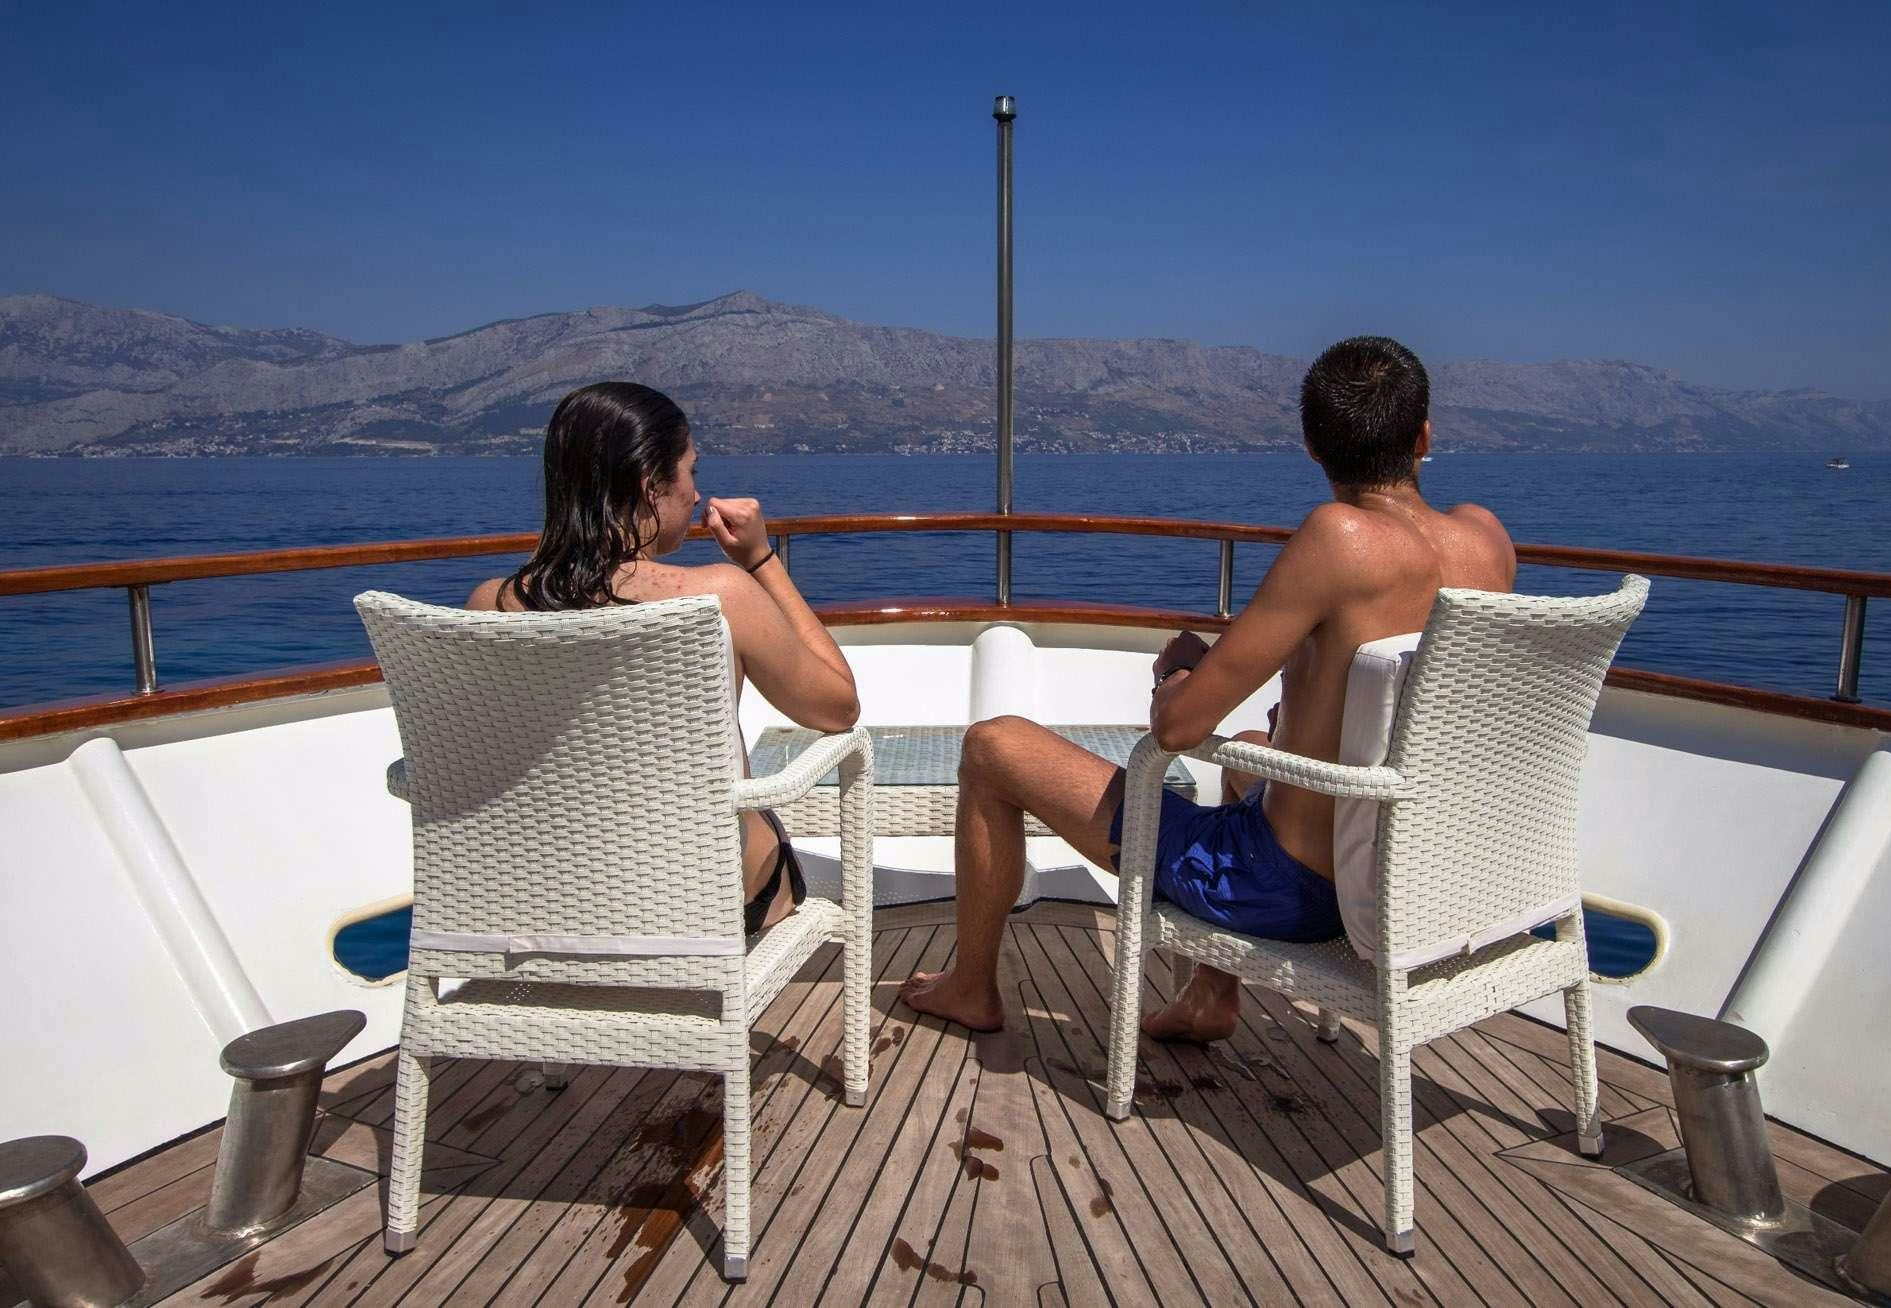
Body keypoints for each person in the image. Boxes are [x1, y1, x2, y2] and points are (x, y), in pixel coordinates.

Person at [899, 336, 1515, 1038]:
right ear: (1425, 435)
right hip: (1425, 873)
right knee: (1254, 745)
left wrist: (1180, 672)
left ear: (1312, 446)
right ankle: (1208, 998)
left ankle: (970, 986)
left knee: (991, 746)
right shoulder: (1485, 539)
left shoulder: (1340, 538)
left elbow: (1178, 729)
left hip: (1295, 892)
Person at [466, 381, 860, 934]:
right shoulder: (721, 596)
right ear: (653, 486)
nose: (696, 494)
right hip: (702, 903)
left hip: (549, 903)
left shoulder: (492, 605)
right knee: (757, 819)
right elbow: (839, 708)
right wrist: (761, 560)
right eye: (691, 472)